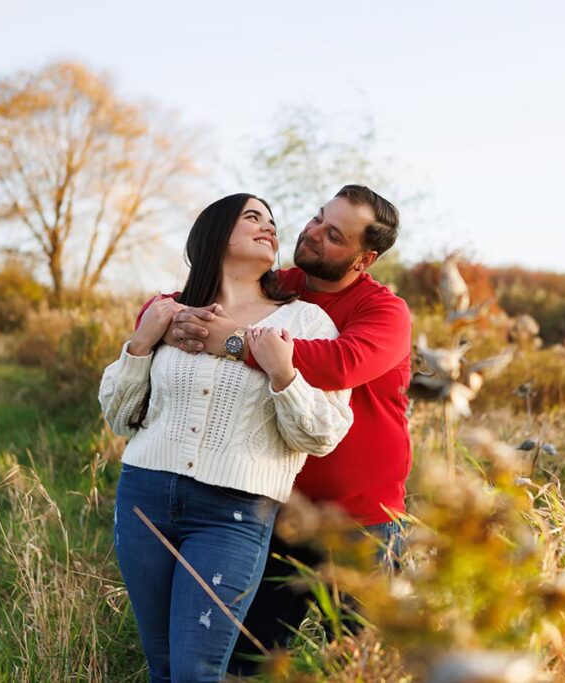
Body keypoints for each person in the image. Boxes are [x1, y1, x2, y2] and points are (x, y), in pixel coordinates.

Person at [98, 194, 354, 683]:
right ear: (215, 232)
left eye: (273, 222)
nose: (269, 228)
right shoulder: (167, 313)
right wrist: (140, 344)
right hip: (144, 498)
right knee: (164, 666)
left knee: (197, 671)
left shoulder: (304, 323)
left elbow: (322, 435)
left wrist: (284, 375)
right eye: (253, 217)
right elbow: (120, 416)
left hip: (234, 512)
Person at [157, 185, 411, 676]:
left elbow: (340, 363)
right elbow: (175, 300)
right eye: (318, 218)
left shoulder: (384, 311)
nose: (312, 233)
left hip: (361, 524)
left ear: (365, 258)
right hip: (275, 509)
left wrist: (231, 342)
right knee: (244, 659)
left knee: (362, 667)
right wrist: (170, 324)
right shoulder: (281, 286)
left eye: (334, 235)